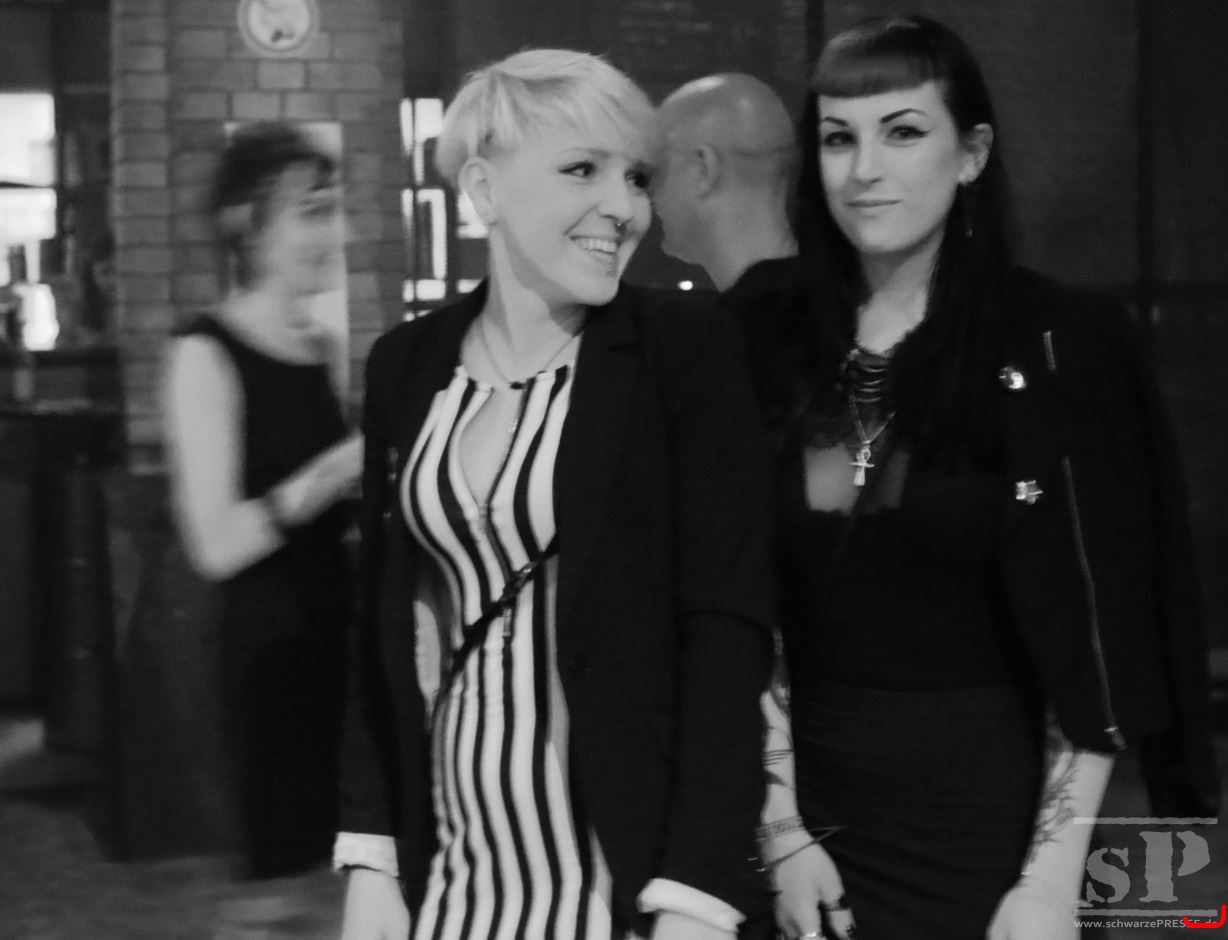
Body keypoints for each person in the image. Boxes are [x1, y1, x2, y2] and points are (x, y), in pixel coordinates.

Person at [750, 15, 1220, 940]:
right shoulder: (762, 330)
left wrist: (1053, 881)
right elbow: (731, 599)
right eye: (839, 139)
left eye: (902, 132)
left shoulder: (1061, 343)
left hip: (1004, 828)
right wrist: (779, 831)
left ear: (971, 154)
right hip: (806, 823)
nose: (864, 170)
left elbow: (1105, 632)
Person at [333, 49, 774, 940]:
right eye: (583, 170)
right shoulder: (406, 365)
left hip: (620, 879)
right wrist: (372, 854)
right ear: (484, 189)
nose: (624, 207)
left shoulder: (680, 349)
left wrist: (696, 889)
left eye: (636, 177)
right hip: (452, 869)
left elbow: (727, 626)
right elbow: (383, 621)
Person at [161, 121, 362, 937]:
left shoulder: (324, 346)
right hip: (261, 657)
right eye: (310, 212)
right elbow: (215, 545)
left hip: (334, 639)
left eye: (334, 209)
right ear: (246, 224)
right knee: (273, 893)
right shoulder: (203, 353)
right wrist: (334, 471)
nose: (333, 232)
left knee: (338, 877)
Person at [652, 73, 809, 423]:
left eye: (657, 171)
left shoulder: (725, 345)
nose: (649, 195)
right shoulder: (838, 309)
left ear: (703, 169)